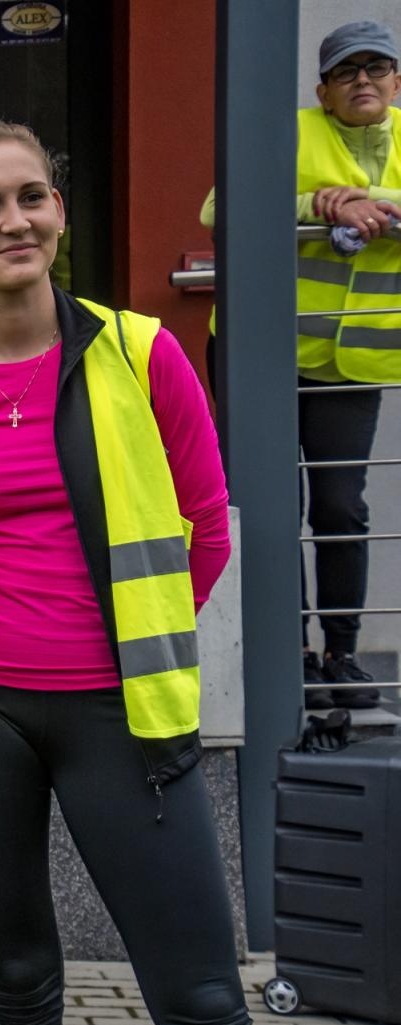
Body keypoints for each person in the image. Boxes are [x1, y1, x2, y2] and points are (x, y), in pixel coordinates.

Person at [0, 117, 264, 1025]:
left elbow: (205, 530)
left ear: (56, 211)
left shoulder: (141, 354)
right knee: (16, 994)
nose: (16, 220)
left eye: (32, 196)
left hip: (119, 713)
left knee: (205, 1004)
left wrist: (137, 637)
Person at [200, 19, 401, 710]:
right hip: (261, 356)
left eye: (377, 69)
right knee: (268, 508)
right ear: (324, 90)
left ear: (397, 83)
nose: (364, 81)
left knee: (341, 509)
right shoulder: (288, 129)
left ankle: (340, 657)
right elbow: (216, 208)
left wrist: (385, 211)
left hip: (350, 363)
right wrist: (313, 203)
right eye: (348, 72)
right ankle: (285, 656)